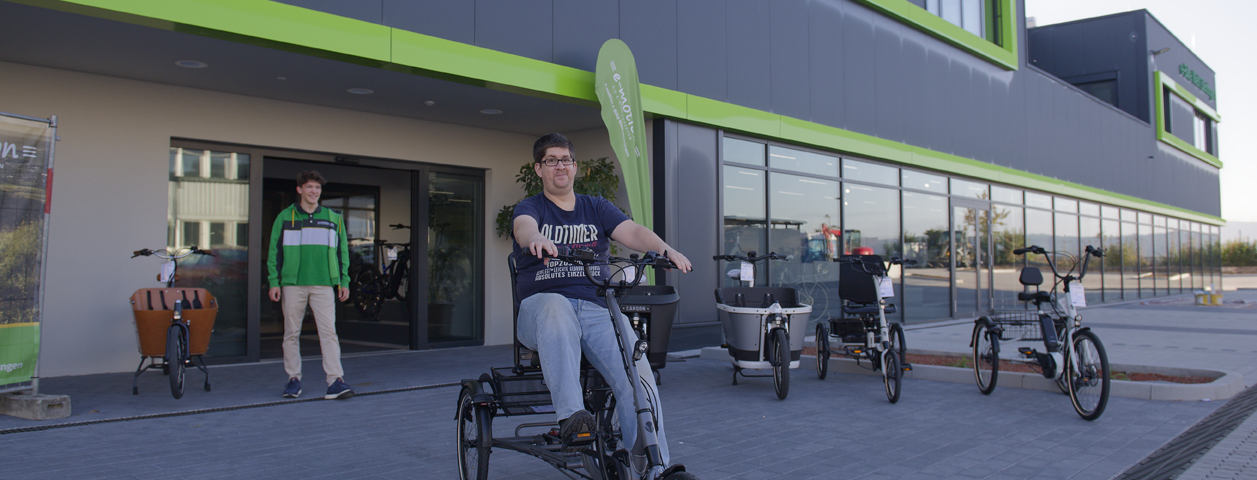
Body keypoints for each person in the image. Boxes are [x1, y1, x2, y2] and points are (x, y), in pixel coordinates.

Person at [512, 133, 692, 467]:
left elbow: (633, 232)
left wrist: (664, 249)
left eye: (565, 160)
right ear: (539, 169)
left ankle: (652, 467)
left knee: (638, 377)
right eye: (551, 161)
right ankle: (572, 417)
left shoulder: (595, 207)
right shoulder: (531, 208)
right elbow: (524, 227)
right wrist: (536, 238)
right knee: (556, 306)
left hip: (596, 308)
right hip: (542, 309)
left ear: (575, 166)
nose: (560, 166)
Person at [267, 170, 354, 400]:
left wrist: (344, 281)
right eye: (309, 187)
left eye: (317, 187)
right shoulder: (285, 217)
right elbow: (274, 252)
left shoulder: (333, 218)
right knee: (291, 333)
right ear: (299, 190)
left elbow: (342, 252)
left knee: (329, 333)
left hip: (324, 284)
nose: (313, 191)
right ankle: (293, 380)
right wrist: (274, 281)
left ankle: (335, 381)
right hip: (292, 284)